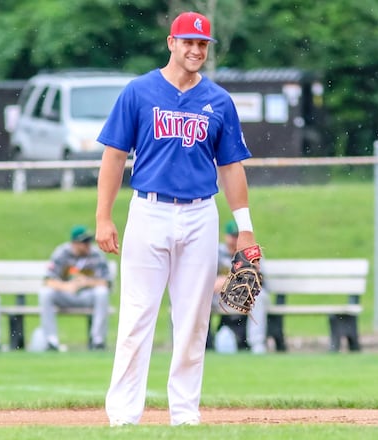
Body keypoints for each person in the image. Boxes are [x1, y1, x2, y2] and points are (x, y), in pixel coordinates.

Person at [94, 11, 259, 426]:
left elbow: (232, 166)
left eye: (203, 44)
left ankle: (185, 415)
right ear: (171, 43)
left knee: (193, 320)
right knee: (136, 316)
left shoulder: (218, 100)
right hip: (148, 210)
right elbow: (114, 157)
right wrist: (103, 217)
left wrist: (245, 227)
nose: (196, 49)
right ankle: (123, 417)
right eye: (188, 41)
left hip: (201, 213)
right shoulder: (139, 92)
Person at [38, 225, 112, 351]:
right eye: (84, 242)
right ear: (74, 243)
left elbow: (106, 282)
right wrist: (66, 286)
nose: (87, 245)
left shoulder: (96, 255)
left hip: (88, 295)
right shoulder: (61, 253)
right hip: (66, 295)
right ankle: (51, 340)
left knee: (102, 293)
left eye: (89, 241)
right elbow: (48, 280)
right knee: (46, 293)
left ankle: (97, 340)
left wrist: (87, 282)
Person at [208, 220, 269, 354]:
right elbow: (205, 277)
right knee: (202, 297)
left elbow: (258, 281)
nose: (235, 240)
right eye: (233, 236)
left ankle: (257, 345)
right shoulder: (216, 252)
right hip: (220, 298)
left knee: (259, 297)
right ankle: (201, 343)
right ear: (226, 236)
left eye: (239, 236)